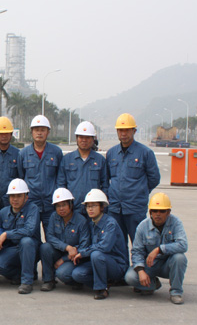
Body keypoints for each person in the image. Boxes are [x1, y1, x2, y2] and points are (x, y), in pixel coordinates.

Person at [106, 113, 161, 245]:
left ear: (134, 131)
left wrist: (140, 191)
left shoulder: (145, 153)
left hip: (135, 208)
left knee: (139, 244)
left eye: (127, 130)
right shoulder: (111, 153)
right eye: (120, 130)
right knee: (117, 245)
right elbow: (106, 178)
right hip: (115, 208)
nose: (123, 134)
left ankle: (139, 260)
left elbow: (154, 178)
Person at [124, 192, 188, 304]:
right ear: (150, 212)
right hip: (150, 265)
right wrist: (140, 271)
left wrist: (159, 249)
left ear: (168, 212)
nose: (158, 214)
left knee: (180, 258)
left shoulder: (176, 223)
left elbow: (183, 245)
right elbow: (137, 251)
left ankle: (176, 292)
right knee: (130, 277)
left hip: (168, 265)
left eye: (162, 211)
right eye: (155, 211)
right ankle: (152, 284)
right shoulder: (142, 226)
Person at [0, 178, 40, 294]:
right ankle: (20, 274)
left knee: (26, 241)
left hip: (31, 249)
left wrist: (6, 234)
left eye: (19, 196)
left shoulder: (33, 209)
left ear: (26, 197)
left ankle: (27, 282)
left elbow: (29, 231)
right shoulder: (3, 212)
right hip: (13, 249)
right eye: (12, 196)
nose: (15, 199)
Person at [69, 189, 129, 300]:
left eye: (94, 206)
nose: (90, 209)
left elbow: (104, 247)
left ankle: (102, 289)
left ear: (102, 207)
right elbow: (86, 243)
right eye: (88, 206)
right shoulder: (91, 223)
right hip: (97, 262)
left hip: (116, 264)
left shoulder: (110, 224)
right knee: (77, 274)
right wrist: (75, 249)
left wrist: (83, 253)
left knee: (96, 254)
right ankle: (104, 282)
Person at [17, 115, 63, 232]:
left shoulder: (56, 152)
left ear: (48, 132)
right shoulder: (23, 154)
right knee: (31, 236)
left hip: (51, 204)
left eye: (43, 130)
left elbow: (60, 177)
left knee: (53, 236)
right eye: (36, 130)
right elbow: (21, 177)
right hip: (31, 204)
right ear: (31, 132)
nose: (39, 133)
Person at [39, 188, 90, 291]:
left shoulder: (81, 221)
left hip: (74, 257)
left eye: (64, 205)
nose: (61, 208)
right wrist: (67, 247)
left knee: (62, 274)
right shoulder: (54, 217)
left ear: (71, 205)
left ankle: (76, 281)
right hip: (60, 251)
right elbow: (50, 236)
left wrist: (64, 259)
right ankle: (49, 280)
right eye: (58, 206)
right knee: (45, 247)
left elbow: (84, 245)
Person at [56, 121, 107, 214]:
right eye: (81, 137)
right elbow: (61, 185)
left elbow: (105, 185)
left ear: (93, 139)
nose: (84, 140)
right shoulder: (67, 160)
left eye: (87, 137)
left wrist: (101, 206)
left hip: (93, 211)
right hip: (73, 211)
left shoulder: (100, 160)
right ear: (76, 138)